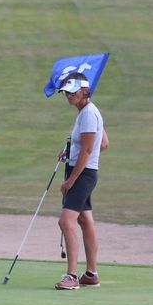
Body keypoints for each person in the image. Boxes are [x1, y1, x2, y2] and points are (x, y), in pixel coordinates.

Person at [55, 72, 110, 290]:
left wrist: (71, 180)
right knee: (85, 221)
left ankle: (71, 276)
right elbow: (103, 144)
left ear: (85, 90)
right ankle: (91, 274)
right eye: (66, 92)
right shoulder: (88, 112)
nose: (69, 95)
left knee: (65, 222)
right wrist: (71, 154)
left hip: (82, 175)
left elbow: (88, 149)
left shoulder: (88, 114)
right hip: (85, 171)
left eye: (73, 91)